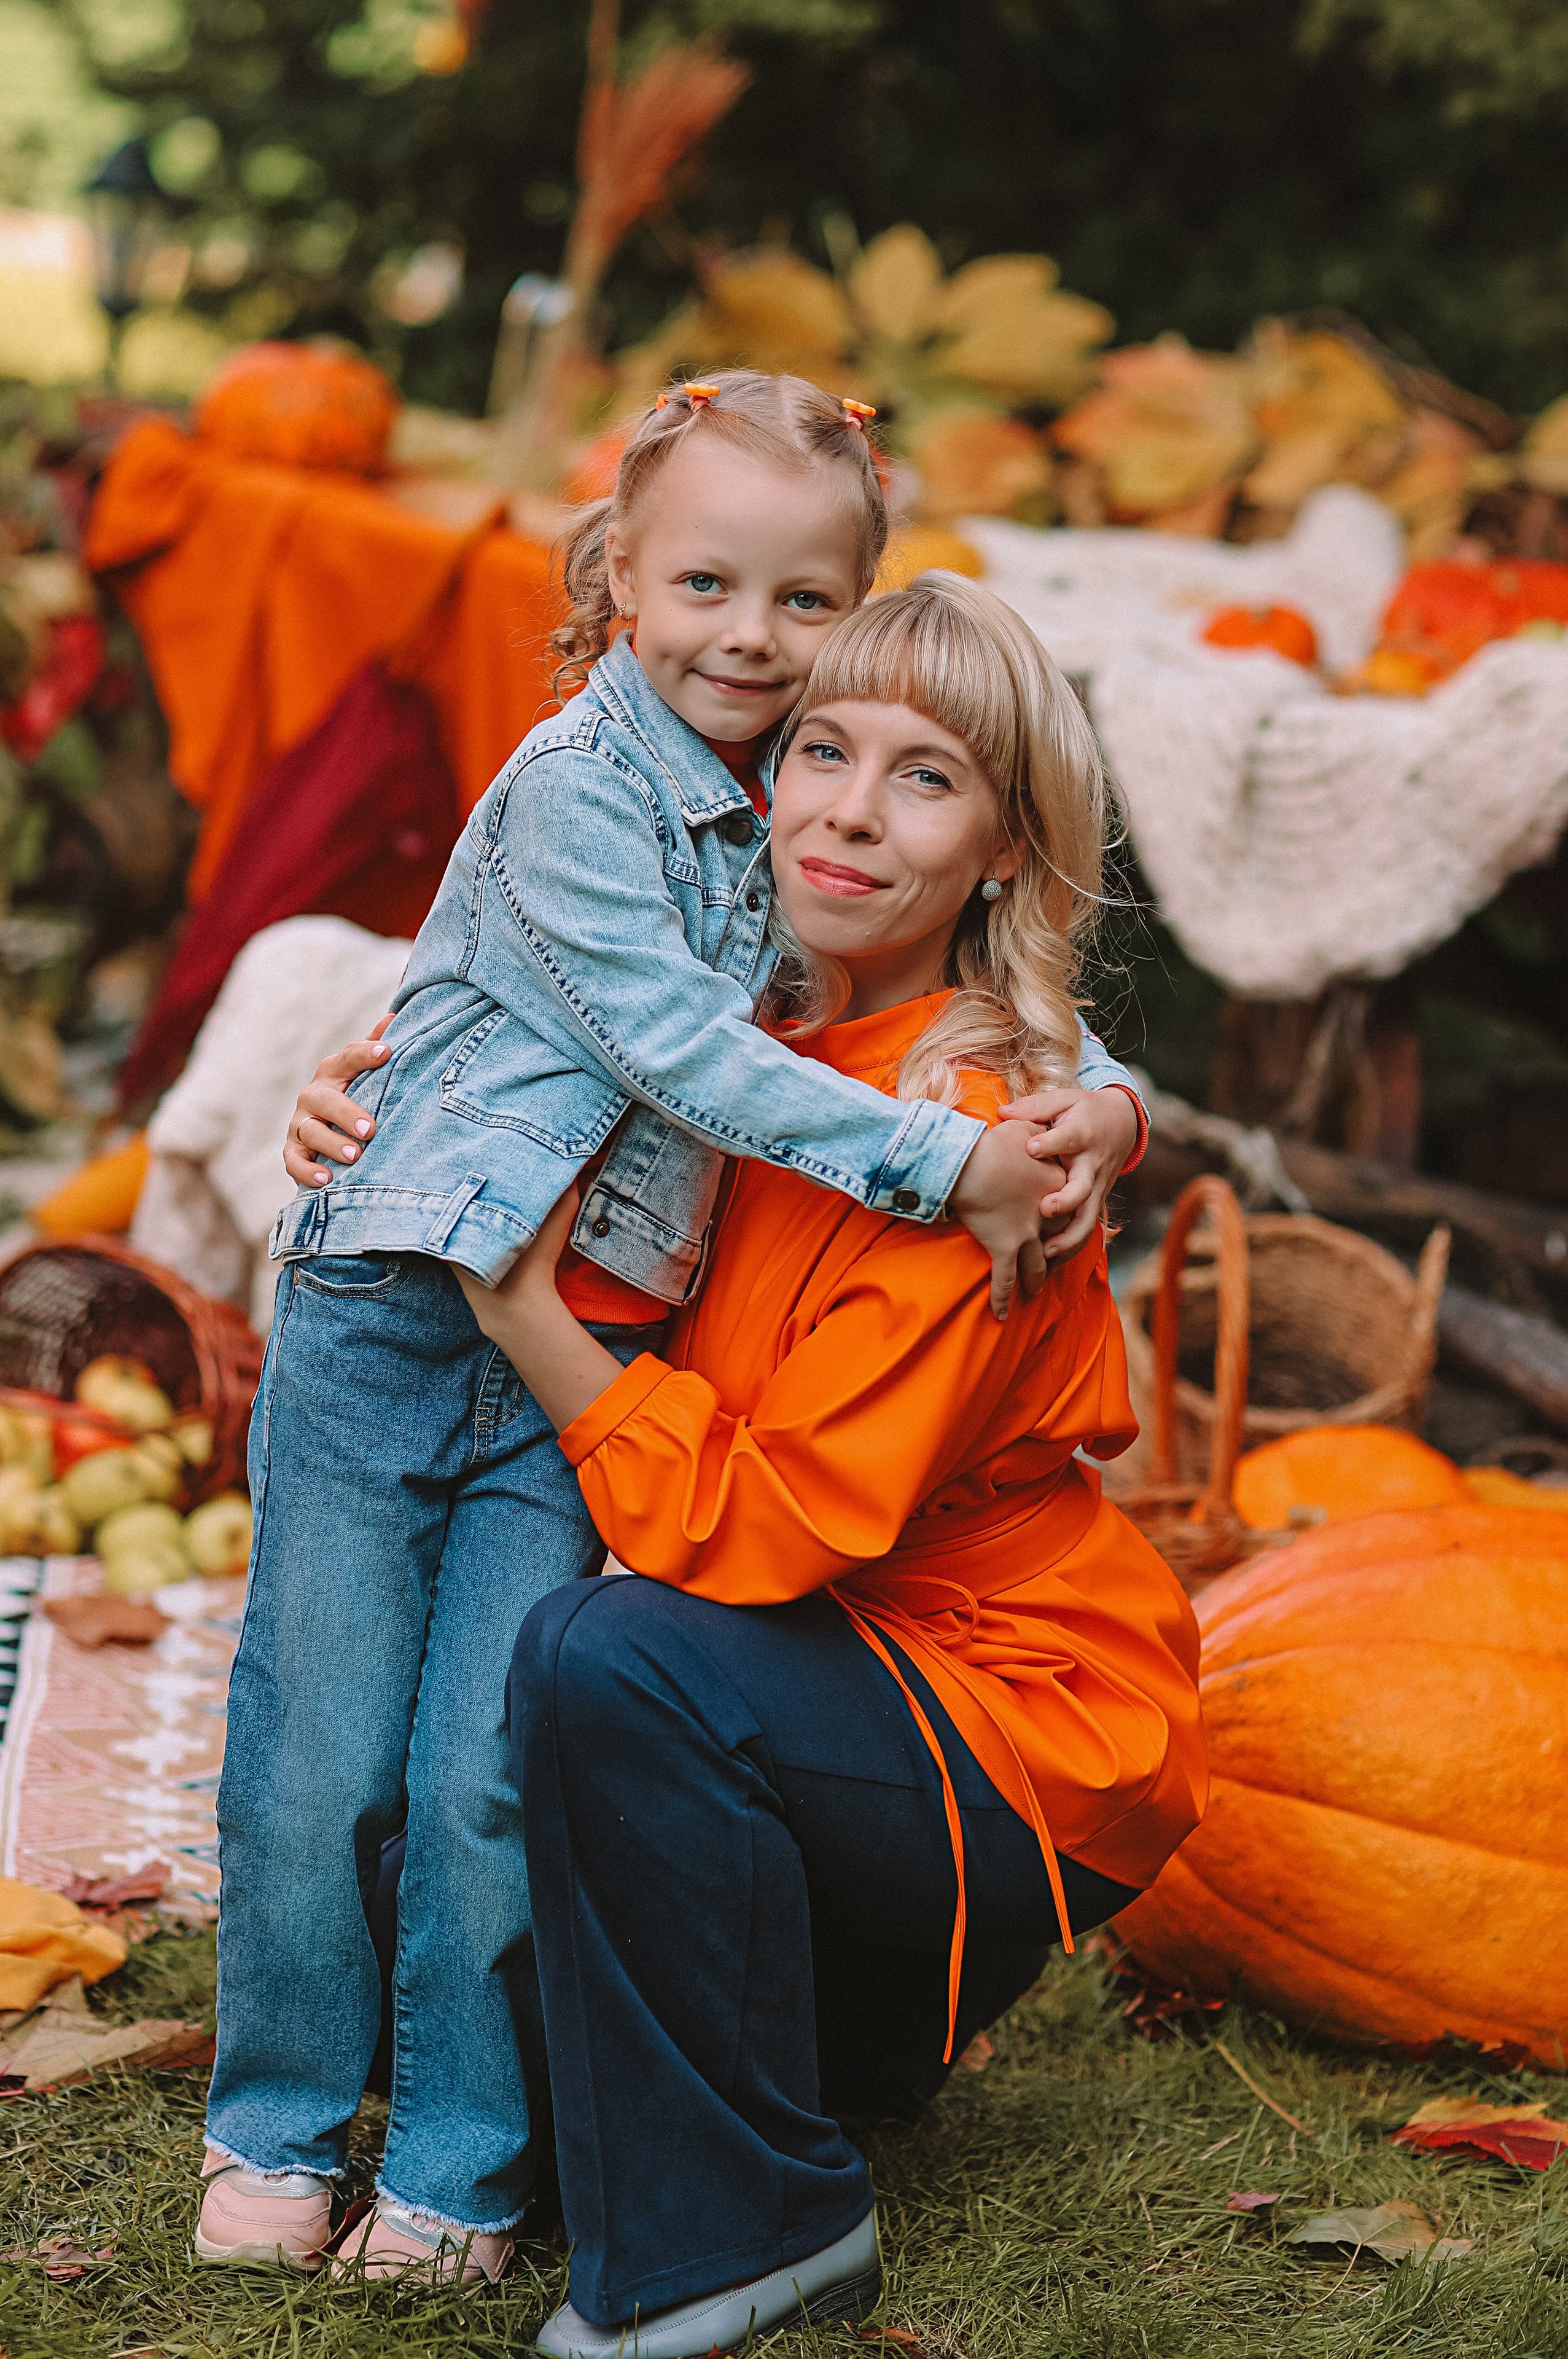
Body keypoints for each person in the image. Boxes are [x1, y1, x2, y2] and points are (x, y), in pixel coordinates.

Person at [196, 374, 1148, 2280]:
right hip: (398, 1323)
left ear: (849, 611)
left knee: (486, 1761)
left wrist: (1105, 1102)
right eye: (705, 582)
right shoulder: (577, 787)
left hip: (588, 1372)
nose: (753, 637)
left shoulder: (779, 822)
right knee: (321, 1744)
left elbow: (958, 969)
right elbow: (670, 1045)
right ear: (616, 575)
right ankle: (279, 2126)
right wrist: (936, 1166)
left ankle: (458, 2167)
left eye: (805, 603)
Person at [460, 574, 1207, 2357]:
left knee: (604, 1659)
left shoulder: (984, 1146)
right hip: (826, 1685)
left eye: (927, 777)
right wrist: (378, 1106)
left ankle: (745, 2235)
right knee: (466, 1879)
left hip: (1003, 1722)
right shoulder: (753, 1049)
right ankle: (849, 2049)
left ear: (1010, 851)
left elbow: (771, 1529)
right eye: (821, 748)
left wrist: (521, 1316)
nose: (850, 812)